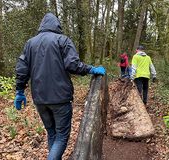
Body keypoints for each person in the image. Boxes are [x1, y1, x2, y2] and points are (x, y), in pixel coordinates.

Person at [14, 13, 105, 160]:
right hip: (60, 98)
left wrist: (19, 91)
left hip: (40, 99)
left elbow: (21, 69)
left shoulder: (30, 43)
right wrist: (90, 69)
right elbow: (73, 65)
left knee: (52, 133)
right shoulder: (62, 40)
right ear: (57, 25)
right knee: (61, 136)